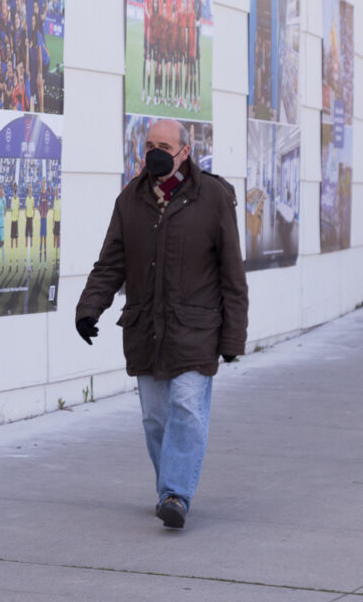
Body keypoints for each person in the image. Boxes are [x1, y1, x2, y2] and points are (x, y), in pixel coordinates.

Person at [75, 118, 248, 530]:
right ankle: (170, 490)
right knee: (156, 418)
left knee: (186, 406)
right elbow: (111, 263)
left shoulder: (213, 198)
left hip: (196, 329)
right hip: (145, 330)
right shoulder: (130, 200)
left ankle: (174, 493)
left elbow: (232, 273)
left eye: (164, 145)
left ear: (184, 152)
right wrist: (88, 309)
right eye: (149, 143)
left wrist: (233, 336)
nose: (154, 150)